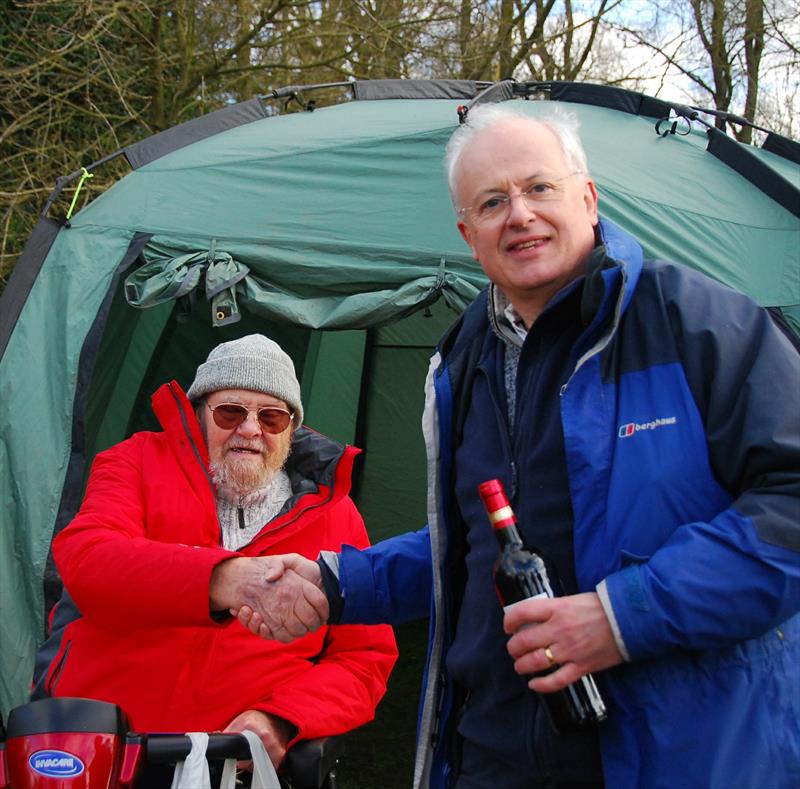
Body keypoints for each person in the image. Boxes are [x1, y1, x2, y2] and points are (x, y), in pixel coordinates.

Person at [239, 104, 800, 789]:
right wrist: (336, 582)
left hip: (679, 753)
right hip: (495, 753)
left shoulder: (701, 324)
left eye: (540, 187)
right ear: (468, 235)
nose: (521, 214)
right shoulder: (464, 363)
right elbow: (481, 545)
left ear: (588, 199)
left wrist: (622, 616)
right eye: (493, 201)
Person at [32, 333, 397, 776]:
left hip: (231, 764)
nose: (249, 429)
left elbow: (364, 657)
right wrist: (227, 578)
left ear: (290, 431)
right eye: (230, 411)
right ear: (199, 412)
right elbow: (88, 560)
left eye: (272, 417)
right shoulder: (135, 460)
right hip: (96, 750)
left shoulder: (336, 514)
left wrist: (282, 719)